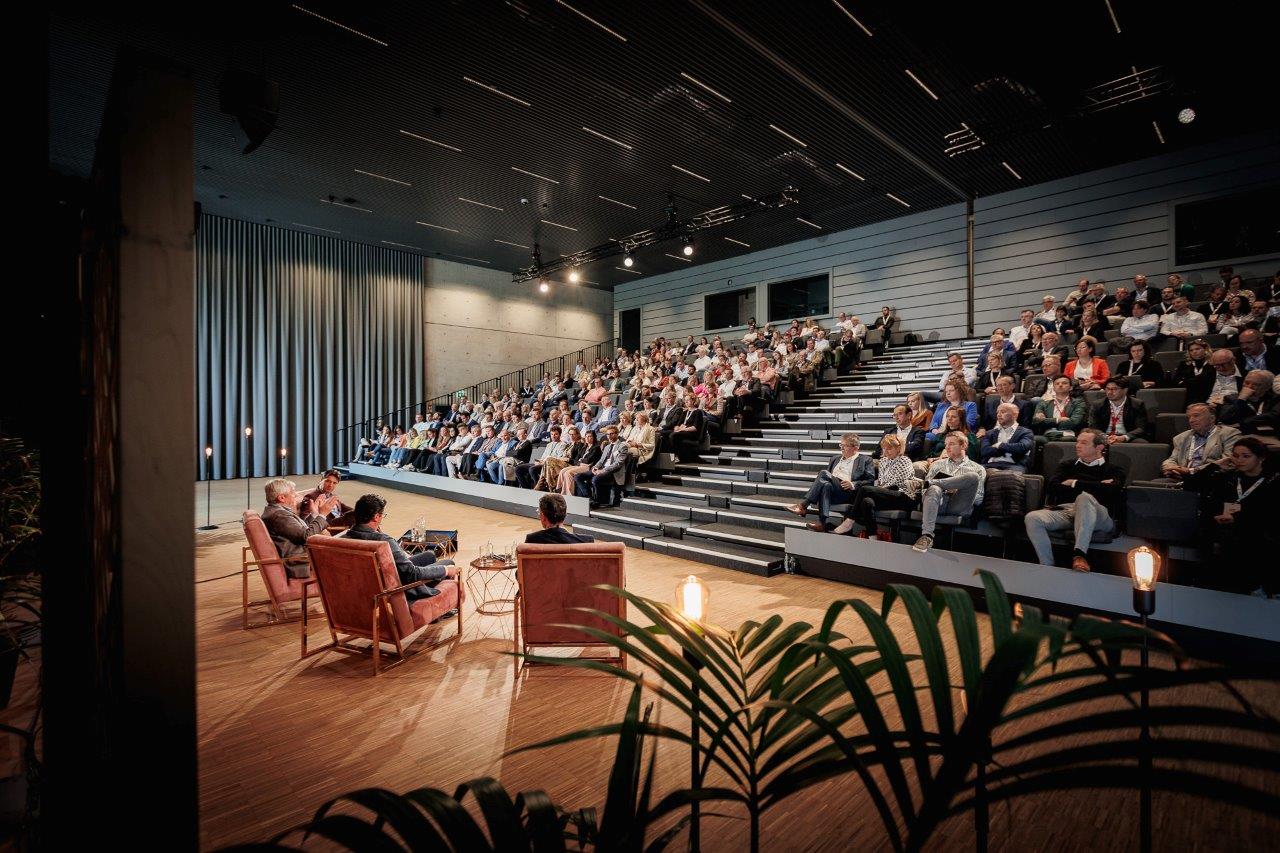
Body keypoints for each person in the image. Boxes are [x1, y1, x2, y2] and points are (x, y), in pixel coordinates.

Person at [1183, 436, 1279, 595]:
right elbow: (1190, 485)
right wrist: (1215, 465)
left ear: (1260, 458)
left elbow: (1270, 513)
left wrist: (1239, 518)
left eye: (1246, 456)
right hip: (1224, 529)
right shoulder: (1229, 477)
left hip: (1256, 531)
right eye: (1235, 456)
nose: (1239, 460)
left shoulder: (1273, 481)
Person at [1024, 429, 1125, 572]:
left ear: (1099, 447)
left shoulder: (1114, 470)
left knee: (1084, 497)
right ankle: (1047, 566)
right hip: (1067, 511)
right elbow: (1053, 487)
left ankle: (1079, 555)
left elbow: (1112, 490)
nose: (1077, 445)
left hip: (1099, 515)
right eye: (1077, 442)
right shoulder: (1067, 466)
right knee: (1032, 517)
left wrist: (1074, 483)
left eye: (1084, 443)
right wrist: (1099, 485)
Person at [344, 494, 458, 601]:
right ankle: (433, 603)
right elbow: (412, 573)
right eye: (382, 515)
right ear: (376, 517)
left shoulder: (345, 538)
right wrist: (446, 570)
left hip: (369, 584)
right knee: (448, 564)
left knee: (429, 555)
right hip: (398, 587)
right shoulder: (383, 541)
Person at [910, 432, 987, 553]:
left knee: (972, 477)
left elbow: (978, 498)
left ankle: (932, 483)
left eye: (951, 444)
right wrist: (943, 487)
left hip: (958, 504)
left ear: (963, 445)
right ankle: (927, 536)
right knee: (934, 488)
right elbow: (925, 491)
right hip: (937, 502)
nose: (947, 447)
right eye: (946, 444)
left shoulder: (978, 468)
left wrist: (958, 488)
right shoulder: (937, 465)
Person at [785, 433, 875, 531]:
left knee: (824, 473)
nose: (842, 448)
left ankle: (803, 506)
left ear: (855, 448)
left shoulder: (865, 460)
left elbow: (870, 481)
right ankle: (822, 523)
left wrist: (853, 484)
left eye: (845, 445)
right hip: (833, 490)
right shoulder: (835, 459)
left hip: (849, 492)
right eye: (841, 445)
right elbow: (825, 480)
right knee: (826, 485)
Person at [832, 435, 916, 538]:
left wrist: (879, 488)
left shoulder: (904, 460)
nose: (886, 451)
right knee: (867, 501)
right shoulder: (883, 461)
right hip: (887, 495)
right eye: (884, 448)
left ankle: (850, 520)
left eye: (889, 448)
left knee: (865, 489)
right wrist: (880, 488)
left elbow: (897, 482)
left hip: (903, 496)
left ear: (898, 448)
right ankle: (872, 536)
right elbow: (881, 481)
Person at [261, 478, 338, 576]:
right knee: (346, 556)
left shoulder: (277, 511)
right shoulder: (279, 516)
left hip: (302, 557)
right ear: (282, 498)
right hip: (300, 562)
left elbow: (300, 531)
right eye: (292, 493)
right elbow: (306, 536)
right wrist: (323, 515)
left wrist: (314, 514)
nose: (296, 495)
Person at [1160, 404, 1239, 482]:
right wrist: (1171, 468)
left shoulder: (1228, 434)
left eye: (1196, 416)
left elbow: (1228, 461)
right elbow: (1172, 459)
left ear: (1212, 418)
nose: (1191, 420)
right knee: (1158, 483)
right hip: (1183, 477)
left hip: (1212, 478)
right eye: (1189, 417)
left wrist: (1192, 471)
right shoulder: (1181, 438)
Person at [578, 425, 630, 508]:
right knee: (578, 476)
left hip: (613, 472)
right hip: (602, 470)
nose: (609, 436)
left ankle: (599, 501)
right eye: (608, 434)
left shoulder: (622, 446)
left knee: (595, 479)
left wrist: (603, 470)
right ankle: (590, 499)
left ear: (617, 434)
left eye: (611, 434)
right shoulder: (607, 447)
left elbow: (618, 464)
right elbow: (601, 461)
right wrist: (595, 468)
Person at [1218, 370, 1280, 436]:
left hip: (1270, 435)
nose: (1249, 387)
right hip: (1240, 435)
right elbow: (1225, 418)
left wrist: (1241, 423)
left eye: (1256, 384)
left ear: (1267, 387)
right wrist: (1241, 400)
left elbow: (1273, 416)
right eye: (1246, 382)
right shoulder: (1231, 398)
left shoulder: (1276, 399)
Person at [1091, 377, 1151, 443]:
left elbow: (1141, 428)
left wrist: (1124, 437)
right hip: (1104, 436)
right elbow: (1093, 426)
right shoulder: (1098, 405)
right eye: (1107, 389)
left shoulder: (1137, 404)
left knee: (1141, 442)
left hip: (1126, 436)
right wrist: (1105, 437)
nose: (1110, 392)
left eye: (1114, 389)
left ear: (1125, 390)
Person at [980, 403, 1035, 472]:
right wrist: (1010, 450)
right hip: (990, 464)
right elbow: (985, 451)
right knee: (976, 472)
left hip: (1014, 465)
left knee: (1009, 475)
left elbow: (1022, 447)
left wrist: (999, 445)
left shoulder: (1026, 432)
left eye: (1003, 412)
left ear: (1015, 415)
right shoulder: (989, 433)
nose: (998, 415)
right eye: (997, 412)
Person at [1032, 376, 1088, 442]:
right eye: (1057, 384)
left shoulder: (1079, 403)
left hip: (1068, 434)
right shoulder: (1043, 404)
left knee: (1067, 439)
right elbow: (1036, 421)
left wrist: (1046, 421)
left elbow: (1074, 422)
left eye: (1064, 383)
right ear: (1053, 388)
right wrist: (1057, 420)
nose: (1060, 385)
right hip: (1047, 434)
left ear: (1071, 387)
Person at [556, 428, 601, 495]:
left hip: (588, 467)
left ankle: (569, 493)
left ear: (594, 437)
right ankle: (561, 490)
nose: (587, 438)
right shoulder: (585, 447)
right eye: (586, 436)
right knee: (563, 471)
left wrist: (580, 460)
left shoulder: (596, 448)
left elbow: (589, 460)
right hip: (580, 465)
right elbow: (577, 459)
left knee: (569, 473)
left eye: (589, 436)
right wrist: (580, 461)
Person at [670, 393, 708, 462]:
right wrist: (677, 428)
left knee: (673, 435)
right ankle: (673, 456)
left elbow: (695, 427)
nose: (686, 402)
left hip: (692, 433)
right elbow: (678, 424)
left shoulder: (698, 412)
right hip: (683, 432)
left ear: (693, 401)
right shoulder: (685, 412)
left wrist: (683, 429)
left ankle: (676, 456)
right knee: (666, 433)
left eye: (688, 400)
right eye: (685, 400)